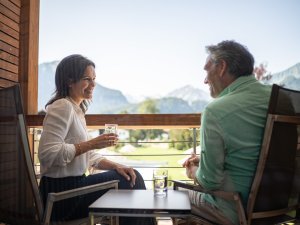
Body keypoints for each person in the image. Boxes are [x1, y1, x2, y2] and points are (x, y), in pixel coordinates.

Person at [38, 54, 155, 225]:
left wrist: (117, 166)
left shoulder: (77, 110)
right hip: (60, 197)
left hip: (72, 190)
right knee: (131, 180)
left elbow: (89, 156)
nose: (93, 84)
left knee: (128, 174)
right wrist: (92, 143)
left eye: (94, 79)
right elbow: (48, 154)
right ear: (70, 81)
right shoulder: (62, 106)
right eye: (87, 79)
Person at [182, 40, 272, 225]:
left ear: (221, 67)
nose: (205, 80)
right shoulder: (282, 98)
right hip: (278, 206)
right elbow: (255, 153)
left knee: (174, 196)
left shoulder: (216, 110)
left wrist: (192, 172)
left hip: (235, 209)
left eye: (207, 70)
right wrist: (203, 160)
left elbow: (209, 182)